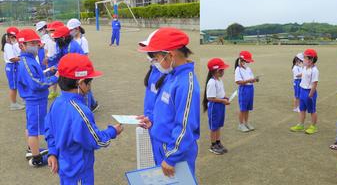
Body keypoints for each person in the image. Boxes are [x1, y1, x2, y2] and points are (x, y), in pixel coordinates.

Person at [45, 53, 123, 184]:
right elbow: (97, 140)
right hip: (79, 171)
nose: (90, 86)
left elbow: (49, 130)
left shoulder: (57, 103)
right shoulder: (81, 111)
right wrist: (113, 131)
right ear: (80, 83)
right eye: (89, 82)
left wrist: (52, 152)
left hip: (65, 166)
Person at [137, 27, 200, 178]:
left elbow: (185, 126)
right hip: (161, 143)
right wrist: (151, 120)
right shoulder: (170, 75)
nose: (155, 63)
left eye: (157, 59)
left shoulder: (186, 83)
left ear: (170, 55)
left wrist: (172, 157)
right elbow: (163, 109)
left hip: (174, 151)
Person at [16, 29, 58, 166]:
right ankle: (36, 158)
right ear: (22, 45)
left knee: (31, 127)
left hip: (35, 99)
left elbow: (38, 77)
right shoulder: (26, 62)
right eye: (32, 43)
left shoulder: (29, 59)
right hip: (35, 99)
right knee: (35, 130)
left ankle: (31, 149)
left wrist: (48, 72)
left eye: (36, 42)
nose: (36, 45)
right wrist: (54, 79)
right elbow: (36, 83)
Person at [67, 18, 99, 112]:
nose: (70, 32)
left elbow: (85, 55)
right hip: (76, 67)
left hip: (83, 67)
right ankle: (93, 104)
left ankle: (88, 108)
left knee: (86, 89)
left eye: (71, 30)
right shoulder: (71, 40)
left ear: (77, 28)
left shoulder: (83, 40)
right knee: (83, 88)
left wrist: (83, 69)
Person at [203, 58, 230, 155]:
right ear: (216, 71)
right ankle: (213, 145)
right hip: (215, 107)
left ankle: (218, 142)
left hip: (220, 105)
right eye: (222, 70)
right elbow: (210, 98)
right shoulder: (212, 82)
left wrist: (224, 97)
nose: (223, 71)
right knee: (214, 127)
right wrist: (222, 100)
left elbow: (219, 93)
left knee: (218, 125)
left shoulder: (219, 80)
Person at [290, 49, 319, 134]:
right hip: (302, 90)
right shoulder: (305, 67)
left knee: (312, 110)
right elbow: (303, 74)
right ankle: (301, 125)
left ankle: (313, 127)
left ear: (311, 60)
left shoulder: (314, 70)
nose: (303, 60)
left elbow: (315, 83)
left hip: (309, 92)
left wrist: (310, 95)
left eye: (305, 58)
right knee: (302, 109)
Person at [234, 50, 259, 132]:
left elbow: (250, 79)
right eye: (247, 61)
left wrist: (255, 80)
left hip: (250, 89)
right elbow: (238, 82)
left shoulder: (248, 69)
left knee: (248, 108)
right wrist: (248, 81)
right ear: (241, 61)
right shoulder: (238, 69)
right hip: (244, 89)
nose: (248, 63)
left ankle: (246, 123)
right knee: (243, 108)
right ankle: (240, 124)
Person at [1, 26, 25, 110]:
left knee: (18, 83)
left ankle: (22, 100)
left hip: (14, 66)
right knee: (13, 86)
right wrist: (23, 58)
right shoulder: (8, 46)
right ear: (11, 37)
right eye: (15, 37)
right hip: (12, 67)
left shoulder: (11, 45)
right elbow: (12, 58)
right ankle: (13, 104)